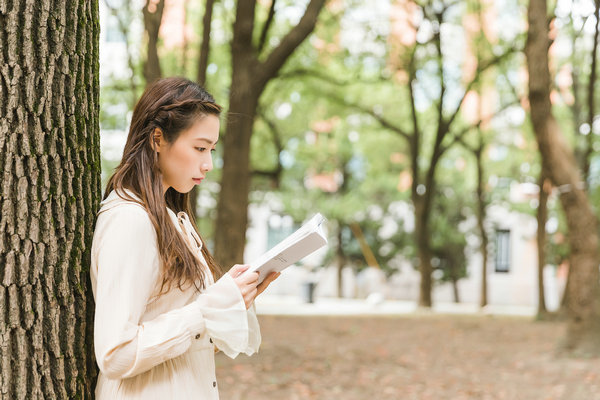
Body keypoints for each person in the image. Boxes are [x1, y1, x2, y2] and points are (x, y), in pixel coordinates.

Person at [90, 77, 279, 399]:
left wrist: (232, 300)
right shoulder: (130, 219)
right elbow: (115, 355)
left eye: (212, 150)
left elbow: (191, 343)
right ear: (158, 139)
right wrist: (207, 308)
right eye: (199, 148)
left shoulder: (170, 218)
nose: (208, 164)